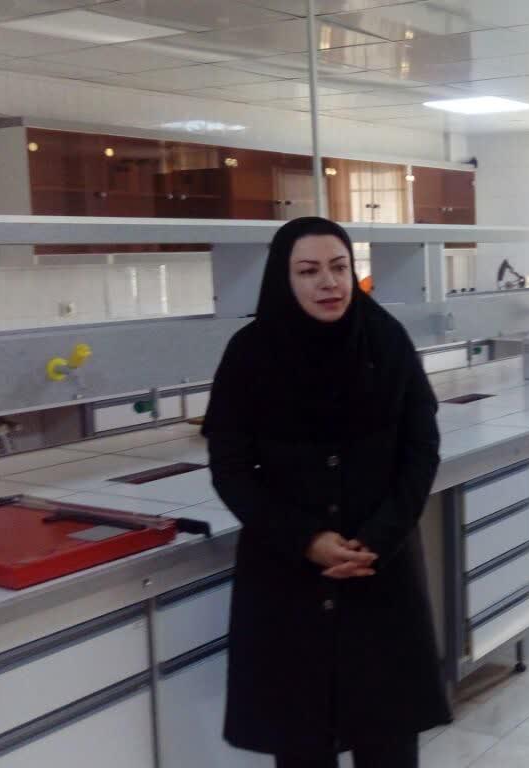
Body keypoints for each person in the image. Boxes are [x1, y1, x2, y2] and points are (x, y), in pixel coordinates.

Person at [203, 217, 450, 768]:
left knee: (388, 742)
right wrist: (306, 540)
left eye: (339, 267)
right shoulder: (250, 354)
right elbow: (231, 469)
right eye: (309, 271)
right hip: (288, 581)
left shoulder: (386, 340)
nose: (328, 283)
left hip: (379, 574)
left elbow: (421, 449)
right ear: (283, 278)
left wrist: (378, 537)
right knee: (302, 744)